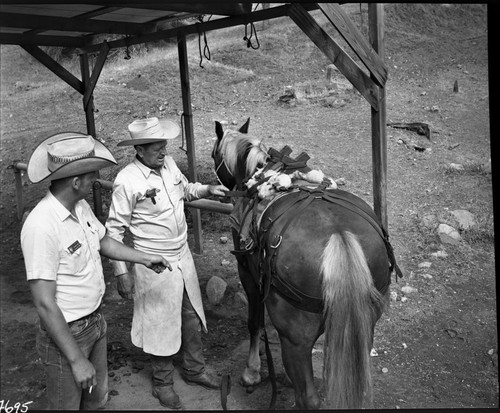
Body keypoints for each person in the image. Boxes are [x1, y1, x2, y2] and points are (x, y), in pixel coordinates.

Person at [20, 132, 172, 410]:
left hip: (94, 323)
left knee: (95, 401)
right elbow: (43, 302)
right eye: (92, 176)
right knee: (65, 406)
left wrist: (144, 258)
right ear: (76, 181)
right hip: (68, 334)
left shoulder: (80, 207)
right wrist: (77, 359)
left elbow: (103, 242)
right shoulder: (42, 226)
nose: (96, 182)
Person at [105, 117, 228, 410]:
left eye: (164, 146)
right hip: (152, 262)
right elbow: (113, 231)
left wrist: (207, 190)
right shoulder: (128, 180)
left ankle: (194, 369)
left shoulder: (169, 165)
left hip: (182, 255)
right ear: (140, 149)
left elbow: (185, 190)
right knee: (160, 323)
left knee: (191, 314)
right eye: (156, 148)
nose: (163, 152)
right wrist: (122, 273)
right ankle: (162, 384)